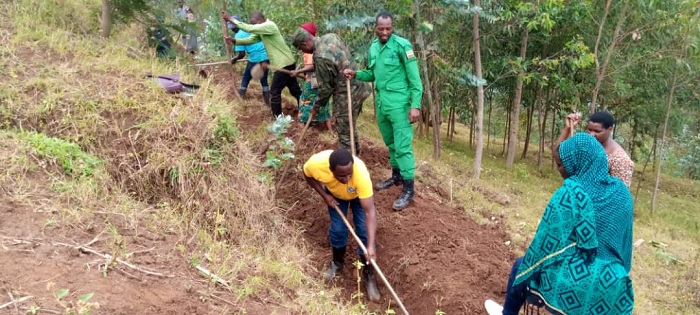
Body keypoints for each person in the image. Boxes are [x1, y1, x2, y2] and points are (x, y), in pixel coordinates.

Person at [485, 133, 634, 315]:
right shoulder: (622, 193)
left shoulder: (569, 194)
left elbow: (542, 248)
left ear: (578, 163)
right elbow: (625, 246)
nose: (560, 170)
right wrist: (619, 274)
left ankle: (507, 313)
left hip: (575, 279)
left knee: (521, 265)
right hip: (614, 281)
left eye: (562, 165)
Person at [343, 12, 423, 211]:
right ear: (376, 28)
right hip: (382, 105)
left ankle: (408, 189)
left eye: (388, 28)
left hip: (400, 105)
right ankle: (396, 176)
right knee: (391, 143)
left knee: (403, 146)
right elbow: (372, 74)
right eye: (381, 28)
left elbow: (416, 81)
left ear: (392, 27)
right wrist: (356, 74)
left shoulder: (403, 46)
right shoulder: (374, 47)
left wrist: (416, 105)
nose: (385, 32)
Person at [303, 149, 380, 302]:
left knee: (364, 233)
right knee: (338, 230)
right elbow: (307, 175)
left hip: (358, 197)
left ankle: (369, 275)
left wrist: (370, 246)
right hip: (336, 196)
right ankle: (337, 263)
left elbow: (370, 212)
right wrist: (325, 196)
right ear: (331, 171)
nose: (347, 178)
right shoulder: (316, 164)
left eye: (349, 174)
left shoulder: (361, 175)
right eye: (341, 176)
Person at [292, 26, 371, 152]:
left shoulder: (320, 57)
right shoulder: (331, 37)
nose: (304, 52)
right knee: (348, 125)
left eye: (302, 49)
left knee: (344, 130)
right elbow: (350, 53)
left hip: (347, 94)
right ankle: (356, 152)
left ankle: (347, 162)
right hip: (360, 86)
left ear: (305, 44)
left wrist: (316, 107)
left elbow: (325, 89)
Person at [222, 12, 301, 118]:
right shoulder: (263, 31)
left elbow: (250, 29)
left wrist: (231, 19)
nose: (254, 25)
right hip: (286, 62)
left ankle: (278, 117)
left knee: (275, 91)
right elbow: (251, 39)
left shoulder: (269, 26)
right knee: (294, 89)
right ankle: (305, 109)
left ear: (261, 19)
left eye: (255, 23)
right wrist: (235, 41)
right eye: (253, 24)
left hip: (283, 63)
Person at [557, 111, 634, 188]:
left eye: (597, 131)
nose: (591, 134)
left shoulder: (620, 160)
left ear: (610, 129)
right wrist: (568, 128)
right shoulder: (586, 147)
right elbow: (558, 156)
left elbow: (620, 195)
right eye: (590, 130)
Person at [289, 23, 332, 131]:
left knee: (304, 102)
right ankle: (329, 130)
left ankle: (302, 128)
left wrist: (298, 71)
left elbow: (311, 67)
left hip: (313, 82)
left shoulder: (310, 50)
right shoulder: (320, 45)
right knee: (323, 104)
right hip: (320, 81)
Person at [227, 16, 270, 105]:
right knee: (264, 79)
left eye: (233, 27)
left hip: (255, 59)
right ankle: (267, 103)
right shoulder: (252, 27)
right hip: (266, 57)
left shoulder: (238, 35)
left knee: (246, 78)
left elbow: (242, 54)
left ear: (238, 25)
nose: (232, 30)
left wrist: (235, 59)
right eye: (231, 28)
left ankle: (240, 100)